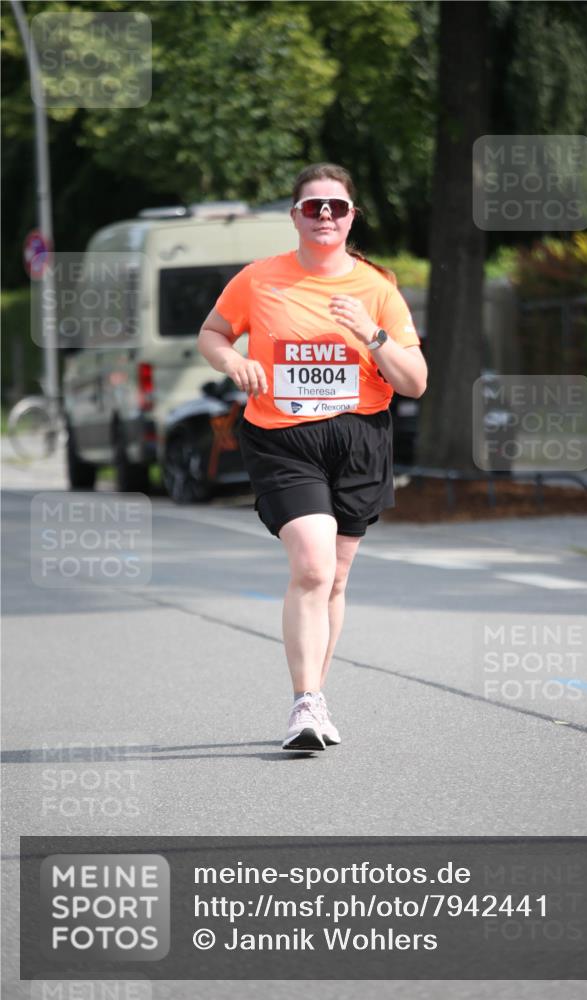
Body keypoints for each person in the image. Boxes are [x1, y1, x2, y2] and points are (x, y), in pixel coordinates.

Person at [198, 163, 427, 751]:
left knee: (337, 577)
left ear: (352, 217)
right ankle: (305, 703)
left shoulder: (377, 288)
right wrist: (233, 362)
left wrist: (372, 336)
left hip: (358, 438)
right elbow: (213, 334)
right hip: (282, 437)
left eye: (337, 207)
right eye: (312, 206)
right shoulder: (259, 279)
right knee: (313, 567)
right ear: (295, 216)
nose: (325, 215)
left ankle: (315, 700)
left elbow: (416, 382)